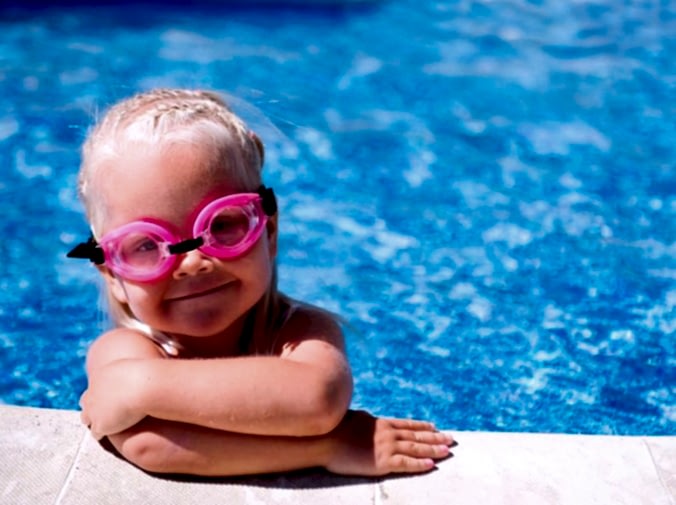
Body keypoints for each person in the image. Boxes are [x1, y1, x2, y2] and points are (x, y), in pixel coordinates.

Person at [68, 88, 453, 477]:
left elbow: (318, 398)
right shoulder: (124, 350)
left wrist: (142, 388)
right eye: (146, 245)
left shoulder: (298, 328)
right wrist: (327, 446)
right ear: (113, 273)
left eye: (221, 225)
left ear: (268, 232)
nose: (192, 263)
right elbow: (150, 445)